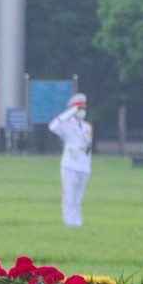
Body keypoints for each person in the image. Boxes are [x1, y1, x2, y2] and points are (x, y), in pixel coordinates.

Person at [48, 93, 92, 227]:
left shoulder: (87, 127)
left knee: (78, 198)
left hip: (84, 165)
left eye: (83, 108)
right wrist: (70, 112)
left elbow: (87, 147)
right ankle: (68, 222)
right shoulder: (66, 125)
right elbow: (52, 126)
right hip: (70, 165)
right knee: (69, 196)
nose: (82, 111)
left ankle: (77, 222)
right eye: (79, 109)